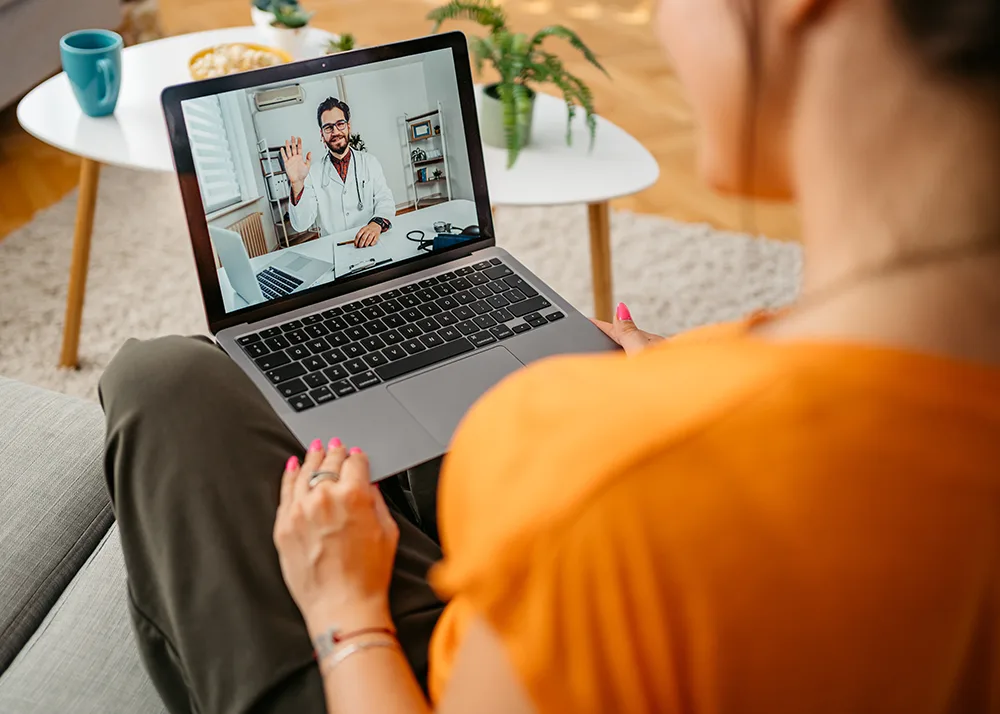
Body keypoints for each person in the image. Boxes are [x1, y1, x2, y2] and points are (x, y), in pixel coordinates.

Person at [100, 0, 1000, 712]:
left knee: (160, 382)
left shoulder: (596, 476)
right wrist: (693, 364)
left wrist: (345, 615)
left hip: (420, 672)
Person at [282, 97, 395, 248]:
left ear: (348, 126)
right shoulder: (312, 172)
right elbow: (301, 224)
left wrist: (376, 224)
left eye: (340, 124)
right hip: (333, 248)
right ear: (322, 135)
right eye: (328, 127)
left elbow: (385, 200)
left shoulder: (369, 162)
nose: (335, 131)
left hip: (371, 241)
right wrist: (297, 184)